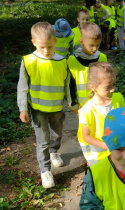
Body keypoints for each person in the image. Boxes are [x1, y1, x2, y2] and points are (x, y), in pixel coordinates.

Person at [17, 22, 73, 188]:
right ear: (34, 42)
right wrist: (23, 108)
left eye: (50, 46)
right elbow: (22, 87)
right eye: (42, 47)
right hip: (38, 109)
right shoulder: (28, 61)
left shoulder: (62, 61)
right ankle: (45, 170)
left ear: (55, 40)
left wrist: (71, 103)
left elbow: (67, 85)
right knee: (43, 141)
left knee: (56, 135)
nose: (47, 51)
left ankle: (54, 152)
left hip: (57, 108)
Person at [77, 62, 125, 166]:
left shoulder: (118, 99)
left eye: (114, 85)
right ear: (93, 87)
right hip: (98, 158)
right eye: (108, 87)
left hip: (117, 152)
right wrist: (107, 145)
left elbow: (124, 119)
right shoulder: (87, 111)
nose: (113, 89)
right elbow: (85, 136)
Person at [68, 22, 108, 111]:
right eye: (91, 45)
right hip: (82, 107)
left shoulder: (102, 58)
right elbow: (70, 85)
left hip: (101, 105)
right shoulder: (72, 61)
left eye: (98, 45)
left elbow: (107, 81)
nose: (95, 48)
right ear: (81, 41)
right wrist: (73, 104)